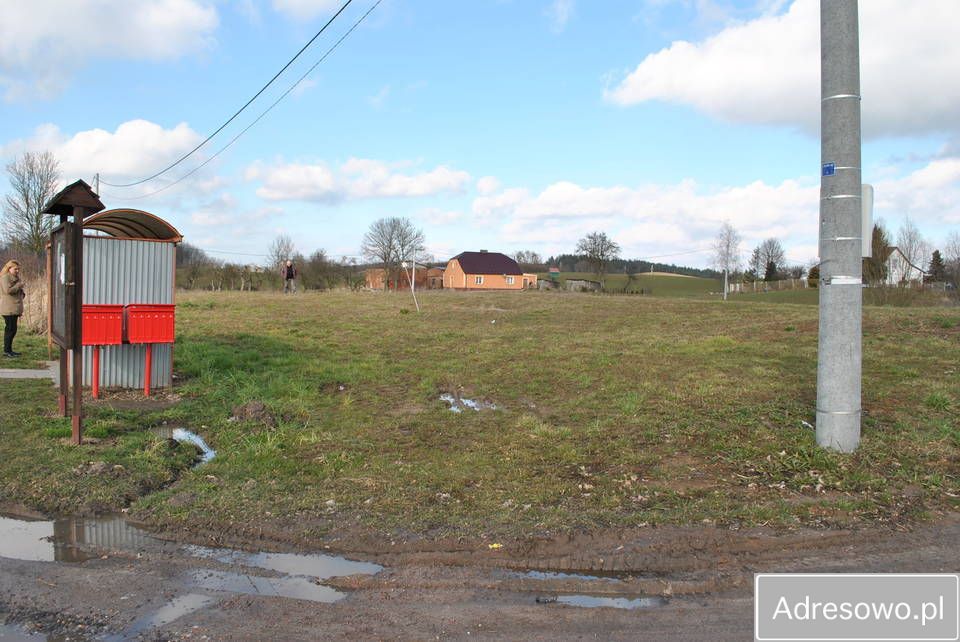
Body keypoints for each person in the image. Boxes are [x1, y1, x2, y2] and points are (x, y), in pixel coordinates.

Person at [0, 260, 25, 357]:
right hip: (8, 308)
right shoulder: (5, 278)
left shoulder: (15, 277)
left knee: (13, 330)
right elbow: (8, 290)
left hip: (14, 307)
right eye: (15, 269)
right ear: (9, 268)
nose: (17, 271)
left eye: (18, 269)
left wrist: (22, 293)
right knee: (10, 329)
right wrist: (19, 285)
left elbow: (16, 290)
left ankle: (9, 350)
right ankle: (7, 351)